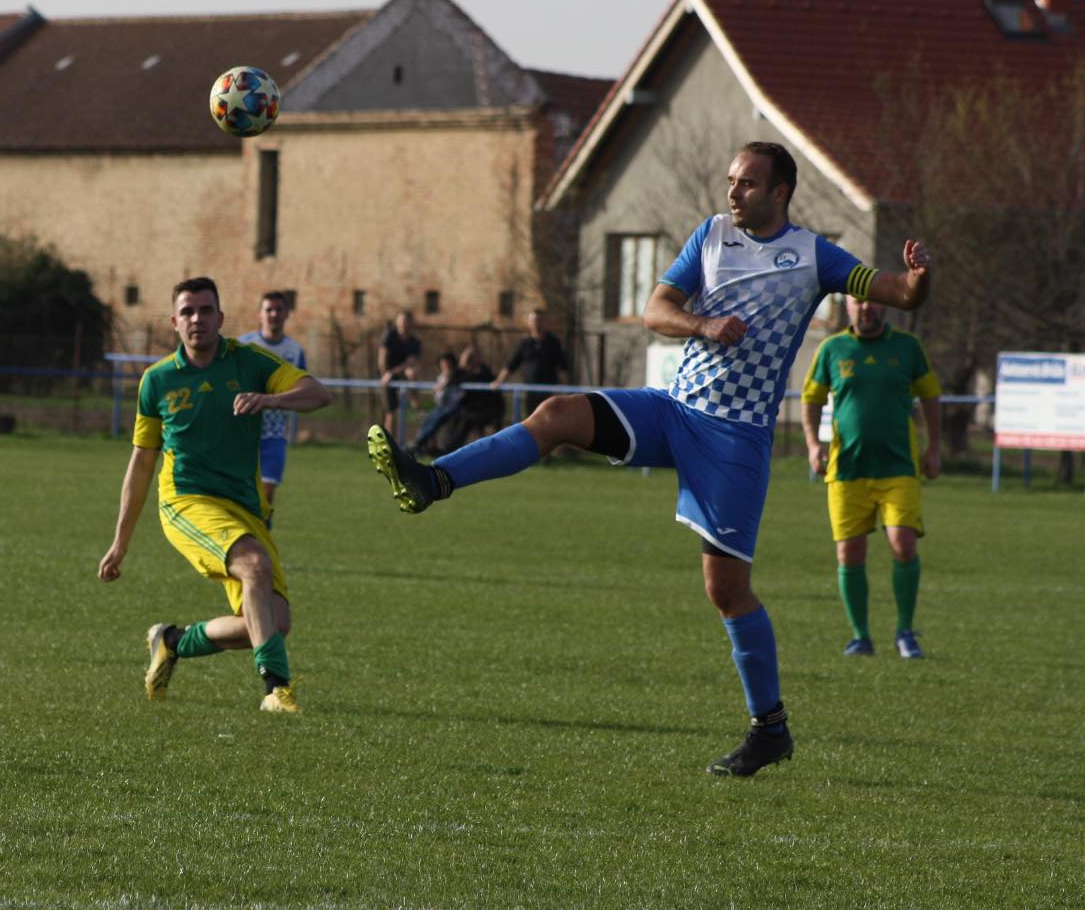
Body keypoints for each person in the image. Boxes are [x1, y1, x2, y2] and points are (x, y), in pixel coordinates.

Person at [366, 141, 933, 777]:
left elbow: (898, 294)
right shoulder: (711, 235)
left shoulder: (813, 255)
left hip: (735, 439)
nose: (733, 192)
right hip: (671, 411)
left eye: (747, 183)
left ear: (781, 193)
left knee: (726, 591)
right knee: (556, 415)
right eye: (730, 181)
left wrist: (917, 276)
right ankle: (432, 477)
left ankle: (770, 729)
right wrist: (701, 325)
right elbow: (655, 309)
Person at [97, 277, 331, 713]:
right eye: (187, 312)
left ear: (221, 318)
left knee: (272, 624)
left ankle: (172, 641)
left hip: (243, 507)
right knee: (255, 566)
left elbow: (319, 394)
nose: (197, 319)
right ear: (174, 322)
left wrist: (269, 399)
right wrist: (120, 542)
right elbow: (142, 462)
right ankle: (276, 689)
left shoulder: (249, 362)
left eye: (205, 311)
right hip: (187, 502)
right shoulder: (158, 380)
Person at [801, 295, 942, 659]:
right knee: (849, 553)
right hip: (847, 469)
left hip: (898, 468)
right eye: (859, 302)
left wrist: (934, 447)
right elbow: (811, 398)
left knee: (903, 544)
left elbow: (930, 396)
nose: (867, 308)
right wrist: (813, 444)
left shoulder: (908, 348)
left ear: (886, 307)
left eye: (875, 302)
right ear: (848, 307)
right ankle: (860, 637)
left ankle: (905, 633)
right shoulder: (833, 349)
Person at [238, 291, 308, 510]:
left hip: (274, 432)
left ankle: (260, 540)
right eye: (269, 309)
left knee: (267, 493)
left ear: (287, 313)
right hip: (242, 431)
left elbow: (303, 388)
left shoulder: (295, 351)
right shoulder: (244, 346)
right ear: (260, 314)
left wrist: (276, 400)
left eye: (279, 309)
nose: (274, 314)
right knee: (240, 494)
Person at [492, 309, 568, 416]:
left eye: (539, 320)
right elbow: (512, 365)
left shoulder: (553, 342)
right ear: (529, 323)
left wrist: (563, 388)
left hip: (549, 392)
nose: (537, 324)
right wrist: (499, 381)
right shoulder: (525, 344)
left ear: (544, 322)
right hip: (530, 391)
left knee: (549, 420)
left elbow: (562, 367)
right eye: (534, 321)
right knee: (531, 421)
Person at [435, 343, 505, 454]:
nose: (471, 360)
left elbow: (477, 380)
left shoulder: (485, 372)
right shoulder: (464, 372)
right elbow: (455, 380)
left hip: (488, 410)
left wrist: (465, 367)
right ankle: (447, 447)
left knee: (467, 420)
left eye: (473, 357)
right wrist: (462, 365)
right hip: (472, 409)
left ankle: (450, 450)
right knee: (454, 416)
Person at [408, 351, 464, 455]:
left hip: (455, 407)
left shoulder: (458, 374)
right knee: (430, 418)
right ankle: (420, 443)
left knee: (435, 418)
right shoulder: (441, 377)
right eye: (442, 365)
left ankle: (418, 443)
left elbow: (454, 385)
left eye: (447, 365)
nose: (444, 367)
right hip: (443, 406)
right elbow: (437, 396)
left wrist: (446, 382)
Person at [378, 310, 421, 434]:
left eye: (406, 321)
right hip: (387, 377)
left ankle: (416, 406)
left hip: (401, 374)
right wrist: (385, 374)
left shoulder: (415, 342)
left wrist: (393, 372)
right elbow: (382, 358)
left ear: (410, 323)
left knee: (411, 372)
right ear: (397, 322)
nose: (403, 324)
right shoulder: (389, 336)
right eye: (401, 321)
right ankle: (389, 443)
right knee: (391, 412)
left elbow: (411, 362)